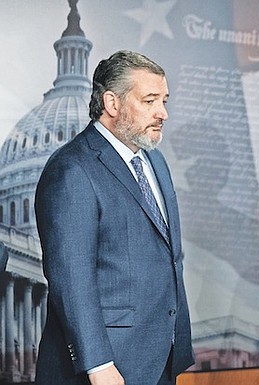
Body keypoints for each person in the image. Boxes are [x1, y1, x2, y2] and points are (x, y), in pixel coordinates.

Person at [34, 50, 194, 385]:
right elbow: (72, 278)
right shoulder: (72, 169)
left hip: (158, 359)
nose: (162, 113)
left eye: (164, 100)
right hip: (107, 367)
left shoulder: (155, 161)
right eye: (150, 101)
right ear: (112, 102)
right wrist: (98, 365)